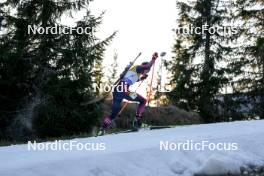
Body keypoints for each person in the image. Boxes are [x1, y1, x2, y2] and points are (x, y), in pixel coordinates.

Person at [98, 52, 159, 134]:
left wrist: (141, 78)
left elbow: (133, 79)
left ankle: (102, 129)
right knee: (143, 101)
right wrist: (153, 59)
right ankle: (137, 122)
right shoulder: (138, 67)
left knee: (114, 113)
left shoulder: (135, 72)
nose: (146, 72)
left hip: (117, 91)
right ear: (144, 68)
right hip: (124, 91)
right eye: (146, 71)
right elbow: (148, 66)